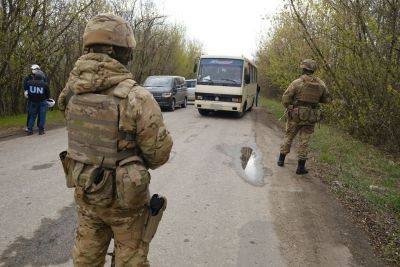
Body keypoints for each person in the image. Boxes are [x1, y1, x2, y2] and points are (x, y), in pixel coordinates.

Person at [58, 14, 173, 266]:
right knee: (131, 260)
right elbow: (158, 154)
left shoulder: (70, 93)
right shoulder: (137, 97)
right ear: (119, 51)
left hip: (87, 192)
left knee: (85, 258)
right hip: (126, 204)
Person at [277, 59, 330, 174]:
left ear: (303, 69)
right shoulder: (321, 84)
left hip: (295, 115)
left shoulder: (297, 82)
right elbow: (326, 99)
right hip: (310, 116)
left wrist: (290, 107)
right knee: (304, 141)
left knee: (289, 136)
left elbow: (285, 98)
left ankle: (281, 160)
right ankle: (300, 167)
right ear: (313, 70)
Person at [24, 64, 48, 132]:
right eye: (32, 69)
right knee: (31, 113)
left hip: (41, 98)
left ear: (38, 69)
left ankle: (39, 127)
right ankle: (29, 127)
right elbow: (26, 87)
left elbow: (45, 87)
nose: (33, 70)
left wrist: (46, 97)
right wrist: (26, 92)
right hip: (31, 98)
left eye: (34, 69)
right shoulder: (28, 77)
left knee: (41, 114)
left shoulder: (43, 76)